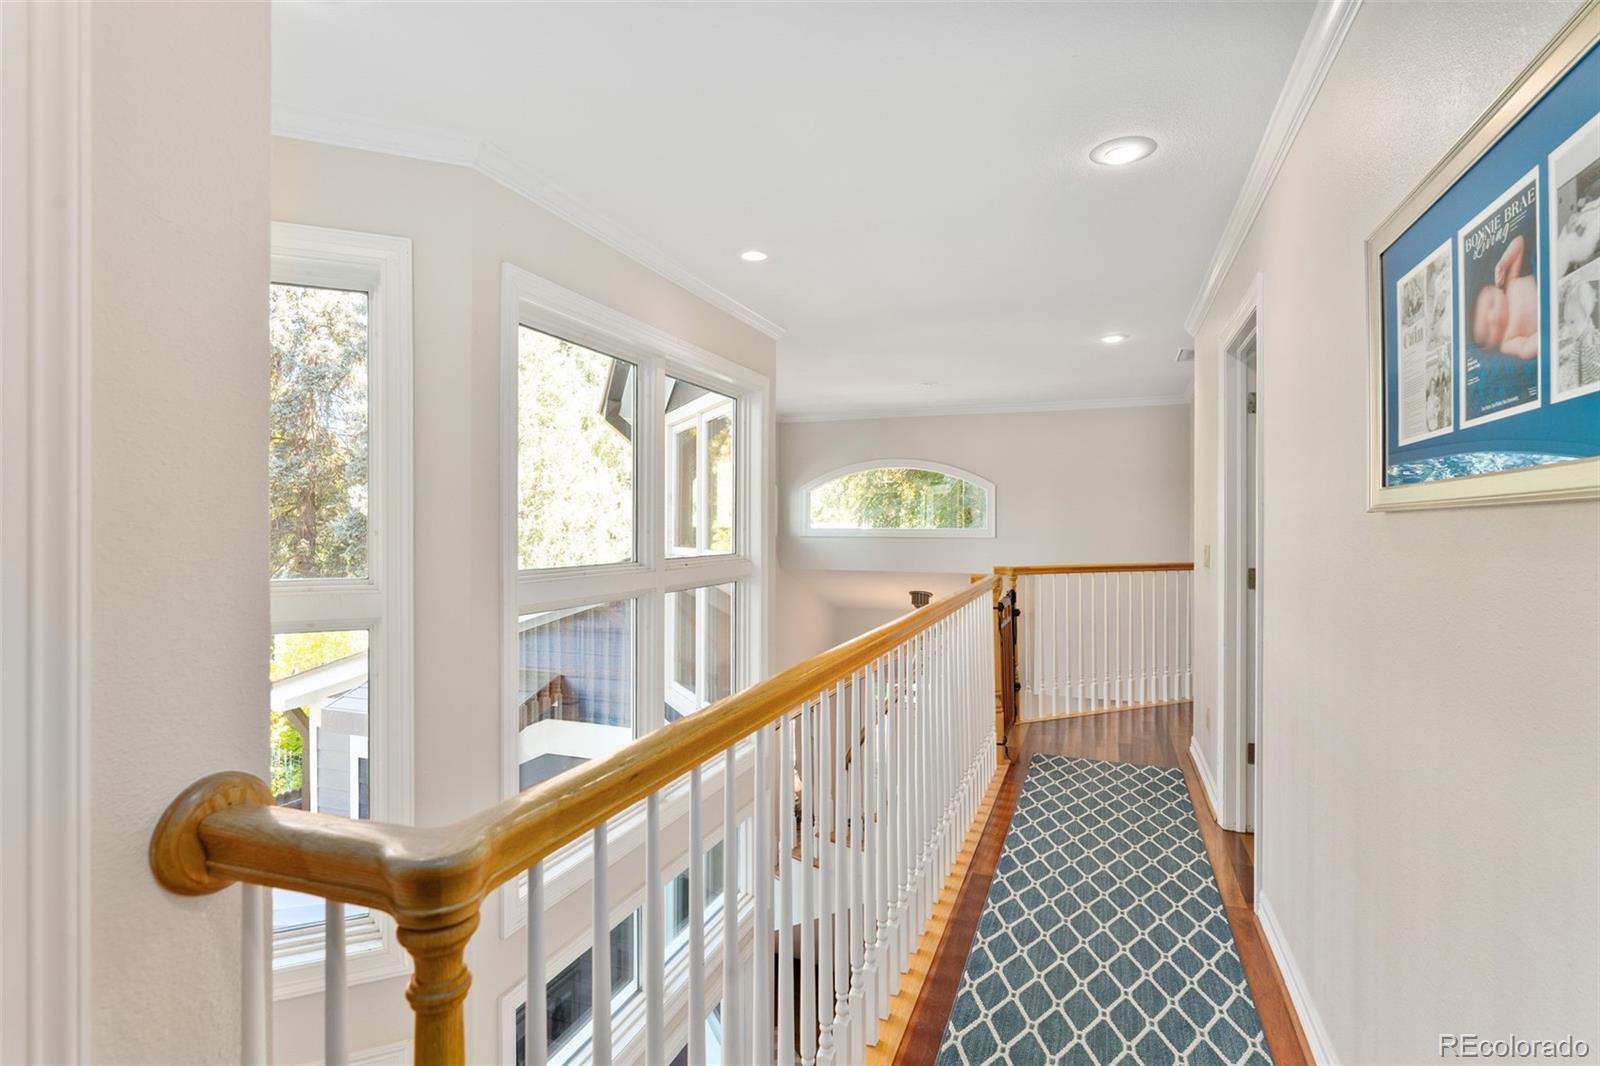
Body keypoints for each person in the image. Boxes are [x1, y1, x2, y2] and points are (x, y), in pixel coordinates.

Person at [1471, 234, 1540, 359]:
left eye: (1491, 303)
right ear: (1491, 347)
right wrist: (1546, 331)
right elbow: (1525, 349)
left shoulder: (1510, 283)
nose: (1493, 318)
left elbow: (1519, 242)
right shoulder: (1506, 342)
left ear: (1497, 288)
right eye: (1488, 332)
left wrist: (1503, 263)